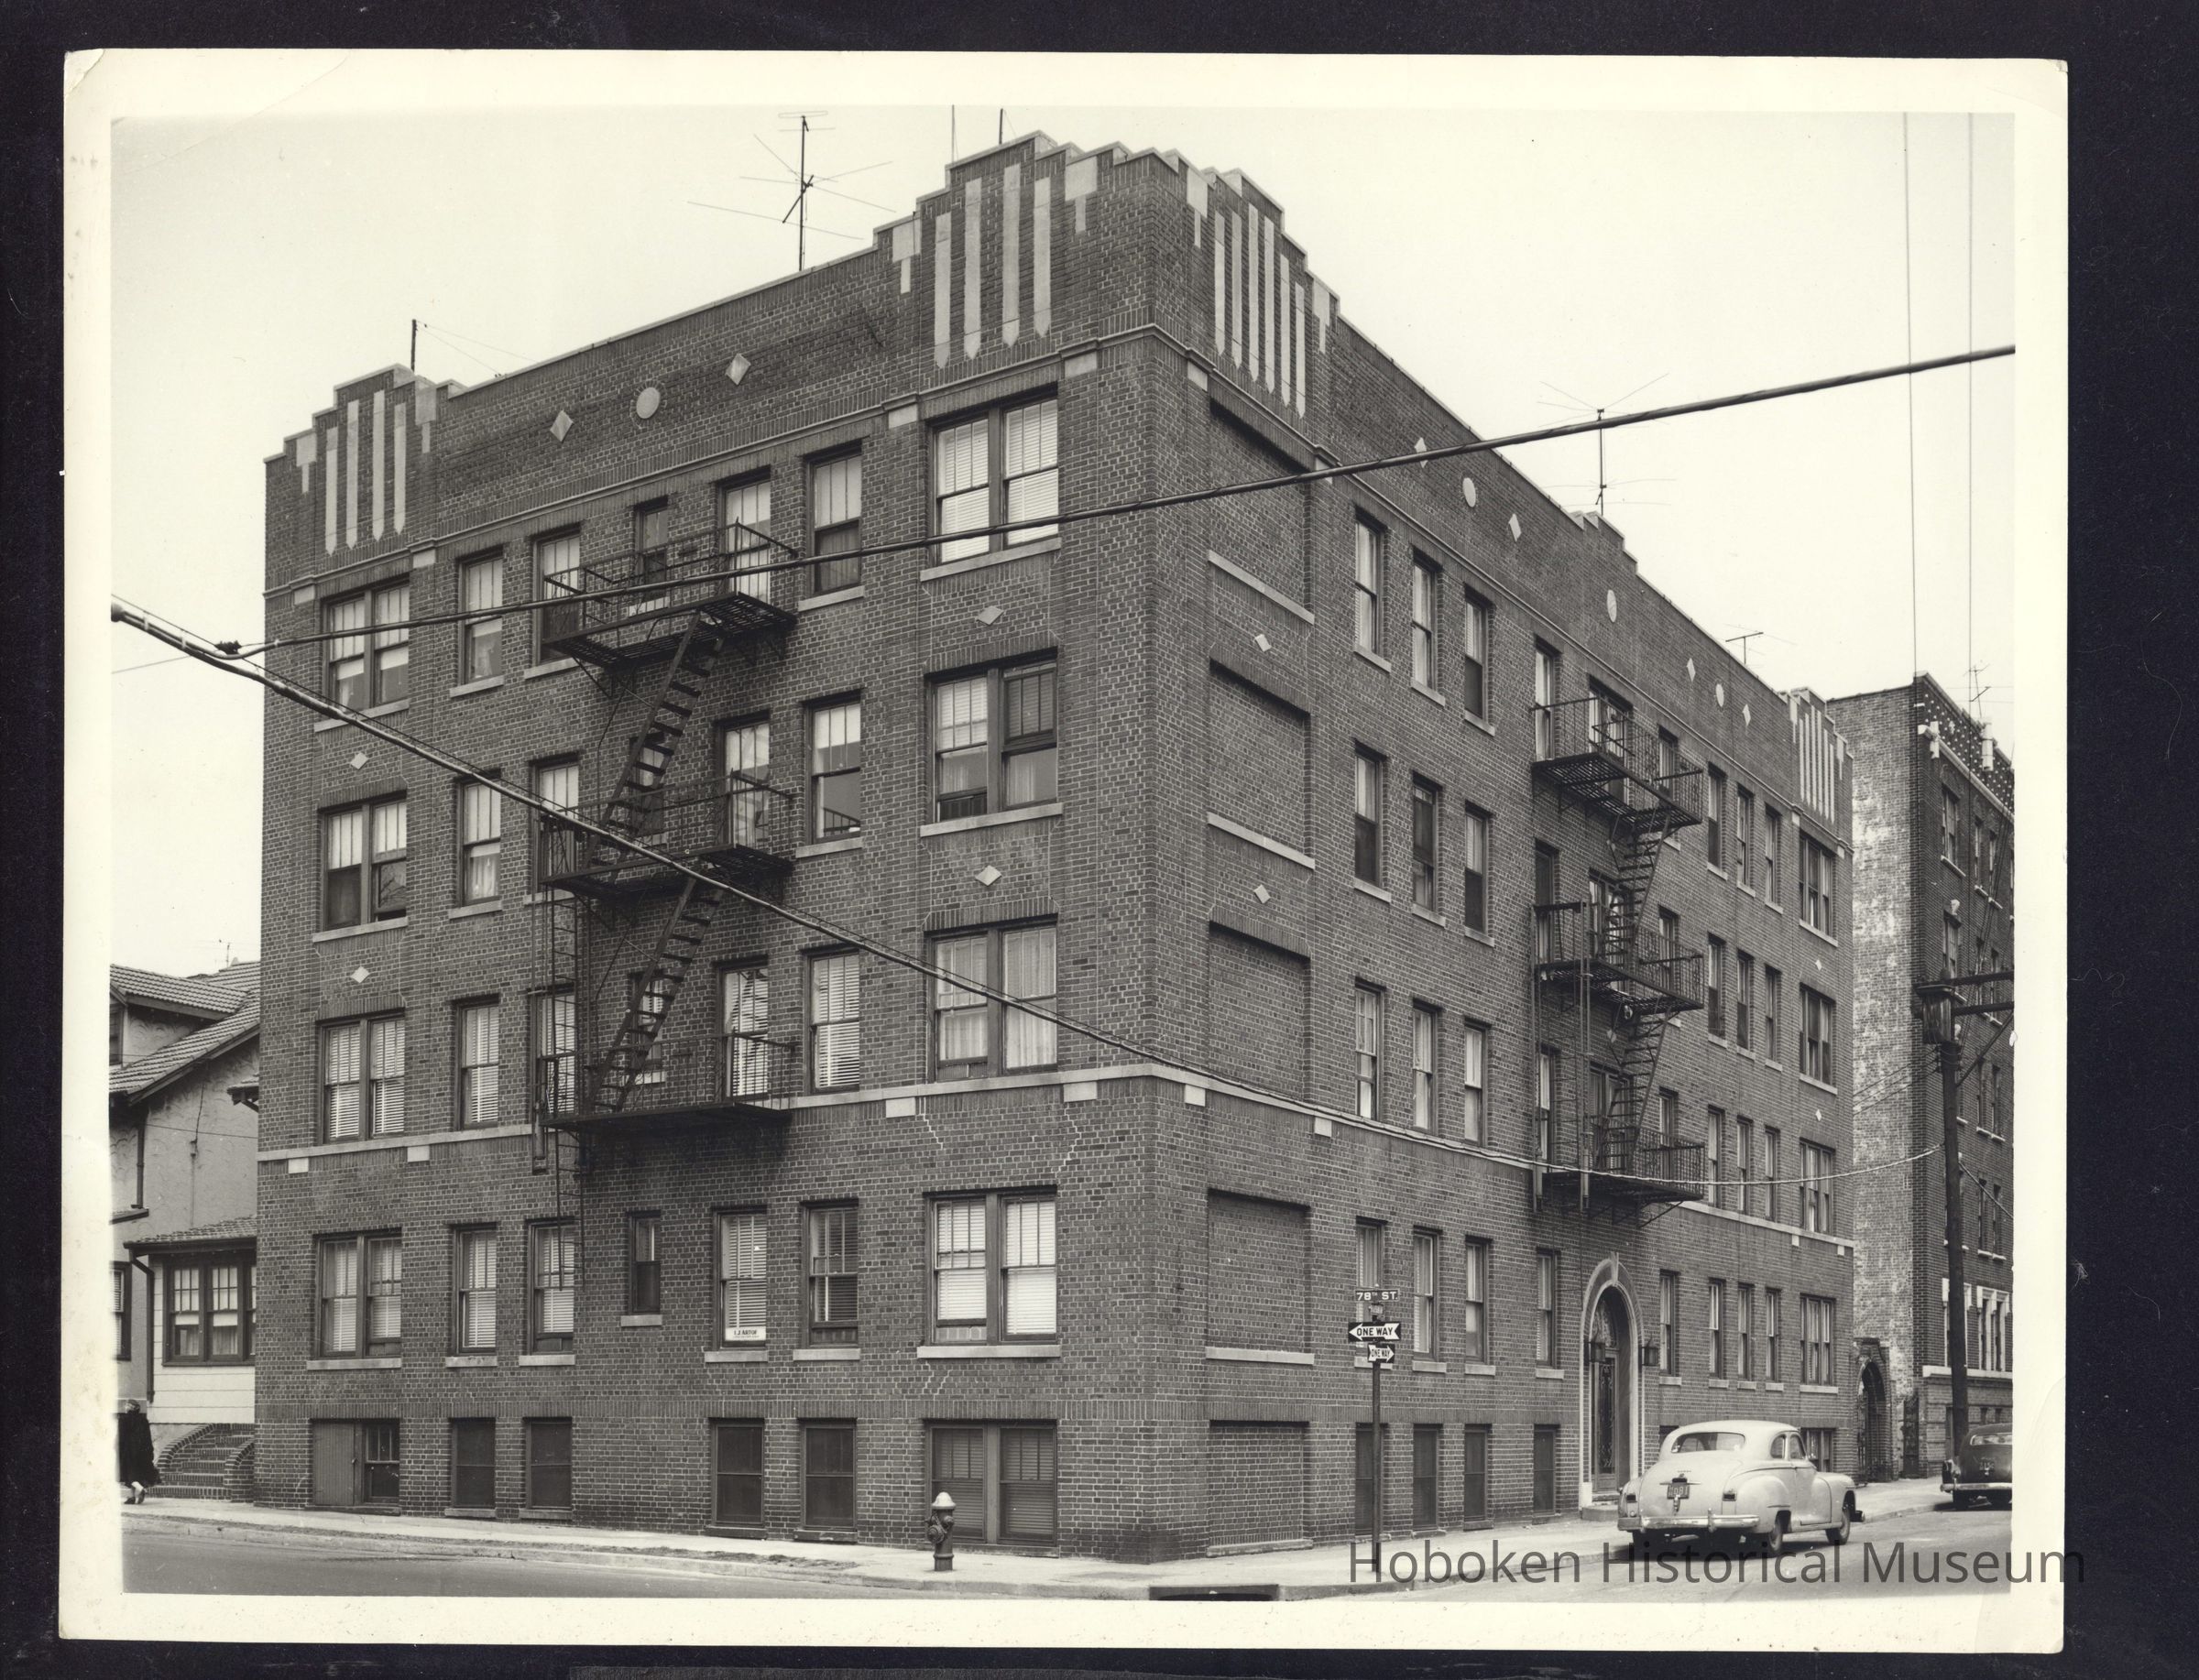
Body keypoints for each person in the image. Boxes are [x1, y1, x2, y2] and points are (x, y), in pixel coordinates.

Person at [117, 1398, 159, 1504]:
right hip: (142, 1452)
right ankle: (132, 1497)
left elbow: (121, 1437)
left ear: (129, 1408)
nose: (125, 1407)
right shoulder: (143, 1420)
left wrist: (119, 1450)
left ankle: (141, 1489)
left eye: (126, 1405)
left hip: (129, 1451)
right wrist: (150, 1451)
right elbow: (148, 1438)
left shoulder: (124, 1419)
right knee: (136, 1474)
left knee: (129, 1474)